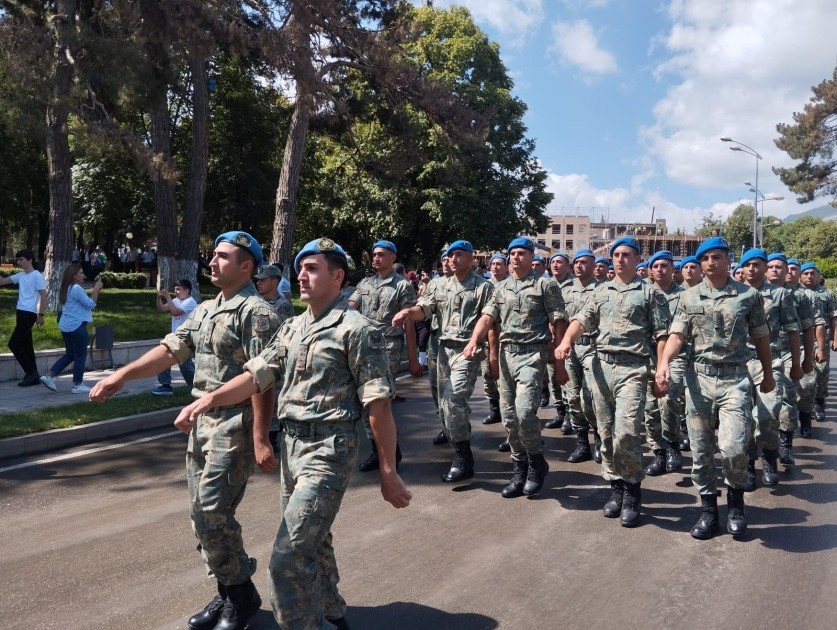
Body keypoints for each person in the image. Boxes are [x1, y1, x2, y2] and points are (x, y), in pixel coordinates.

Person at [174, 237, 411, 629]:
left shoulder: (358, 330)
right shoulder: (293, 328)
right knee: (312, 538)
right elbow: (255, 376)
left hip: (331, 448)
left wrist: (388, 469)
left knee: (287, 559)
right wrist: (208, 400)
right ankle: (332, 610)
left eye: (312, 268)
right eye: (300, 268)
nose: (301, 275)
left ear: (337, 277)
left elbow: (379, 405)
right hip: (294, 445)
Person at [89, 231, 280, 630]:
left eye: (223, 257)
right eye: (212, 255)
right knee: (199, 515)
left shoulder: (257, 313)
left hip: (236, 425)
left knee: (214, 512)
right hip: (201, 423)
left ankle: (241, 596)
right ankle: (229, 590)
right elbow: (171, 349)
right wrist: (122, 375)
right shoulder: (207, 309)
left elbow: (264, 378)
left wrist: (261, 437)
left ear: (246, 267)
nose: (212, 261)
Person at [656, 237, 774, 540]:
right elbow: (677, 334)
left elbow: (761, 337)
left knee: (734, 448)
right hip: (700, 381)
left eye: (717, 257)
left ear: (727, 260)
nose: (711, 262)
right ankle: (709, 510)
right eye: (706, 258)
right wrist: (664, 362)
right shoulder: (689, 296)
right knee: (701, 450)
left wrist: (769, 375)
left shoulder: (748, 296)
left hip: (736, 379)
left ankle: (736, 504)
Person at [555, 237, 670, 528]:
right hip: (601, 366)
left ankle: (632, 491)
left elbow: (661, 335)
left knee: (628, 431)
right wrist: (568, 340)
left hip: (633, 368)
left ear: (636, 258)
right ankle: (615, 487)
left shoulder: (650, 293)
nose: (620, 259)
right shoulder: (600, 290)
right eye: (616, 255)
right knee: (605, 432)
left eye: (626, 255)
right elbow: (582, 318)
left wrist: (661, 369)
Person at [465, 237, 568, 498]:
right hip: (507, 356)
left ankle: (536, 462)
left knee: (524, 413)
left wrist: (559, 363)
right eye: (512, 254)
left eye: (521, 253)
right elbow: (487, 317)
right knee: (509, 418)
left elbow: (558, 324)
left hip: (532, 355)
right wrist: (473, 341)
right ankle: (520, 466)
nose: (515, 258)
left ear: (532, 257)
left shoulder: (545, 285)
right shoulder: (500, 288)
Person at [393, 240, 495, 482]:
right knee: (442, 404)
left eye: (459, 254)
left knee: (453, 400)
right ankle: (458, 437)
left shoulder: (484, 287)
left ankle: (463, 458)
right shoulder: (438, 285)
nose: (453, 258)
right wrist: (409, 312)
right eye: (450, 255)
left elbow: (488, 318)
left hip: (466, 351)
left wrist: (475, 341)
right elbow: (424, 309)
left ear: (472, 258)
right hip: (439, 350)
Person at [348, 239, 421, 472]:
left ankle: (389, 454)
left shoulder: (402, 286)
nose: (376, 258)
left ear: (393, 258)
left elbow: (409, 322)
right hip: (363, 347)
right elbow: (351, 307)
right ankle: (378, 450)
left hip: (388, 348)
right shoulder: (365, 283)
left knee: (378, 403)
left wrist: (412, 358)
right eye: (374, 254)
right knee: (364, 403)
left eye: (381, 254)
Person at [740, 249, 801, 491]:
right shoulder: (734, 293)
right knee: (742, 419)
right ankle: (748, 464)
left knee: (766, 415)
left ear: (765, 267)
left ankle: (769, 456)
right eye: (748, 265)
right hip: (740, 364)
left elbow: (793, 331)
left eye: (757, 264)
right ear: (742, 268)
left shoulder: (780, 295)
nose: (752, 269)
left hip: (771, 362)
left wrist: (796, 364)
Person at [642, 250, 685, 477]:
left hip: (677, 357)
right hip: (646, 355)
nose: (660, 270)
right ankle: (658, 452)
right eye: (656, 266)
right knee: (650, 408)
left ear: (672, 269)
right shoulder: (643, 294)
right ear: (650, 270)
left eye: (665, 266)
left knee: (667, 400)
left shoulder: (685, 296)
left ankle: (673, 445)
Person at [559, 248, 601, 464]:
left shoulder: (602, 290)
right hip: (570, 350)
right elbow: (558, 321)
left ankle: (600, 439)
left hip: (593, 348)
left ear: (594, 265)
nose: (578, 266)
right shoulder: (565, 291)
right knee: (573, 397)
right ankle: (582, 442)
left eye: (584, 262)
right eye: (576, 262)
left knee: (591, 397)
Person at [38, 265, 102, 394]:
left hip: (66, 326)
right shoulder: (77, 288)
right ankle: (78, 385)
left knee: (70, 354)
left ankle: (49, 375)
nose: (84, 275)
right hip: (77, 326)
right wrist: (96, 289)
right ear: (73, 275)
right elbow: (91, 305)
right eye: (81, 273)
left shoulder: (66, 288)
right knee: (80, 355)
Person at [253, 264, 296, 452]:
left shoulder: (283, 306)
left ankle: (273, 438)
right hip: (255, 359)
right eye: (258, 280)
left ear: (275, 282)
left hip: (274, 362)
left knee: (273, 398)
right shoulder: (255, 303)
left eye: (263, 280)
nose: (259, 283)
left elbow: (287, 335)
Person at [0, 249, 47, 386]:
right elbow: (2, 282)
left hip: (29, 314)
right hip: (20, 313)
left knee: (13, 343)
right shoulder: (21, 275)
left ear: (30, 260)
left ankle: (30, 372)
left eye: (21, 259)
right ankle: (35, 377)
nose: (18, 262)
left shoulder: (37, 276)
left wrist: (41, 315)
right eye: (18, 259)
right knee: (27, 345)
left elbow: (43, 295)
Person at [151, 279, 198, 396]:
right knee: (163, 359)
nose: (175, 291)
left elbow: (176, 312)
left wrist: (167, 298)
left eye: (179, 289)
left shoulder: (191, 302)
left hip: (186, 338)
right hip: (174, 337)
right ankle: (165, 386)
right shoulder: (176, 300)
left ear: (187, 290)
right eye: (175, 289)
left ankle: (195, 387)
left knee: (185, 366)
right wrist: (159, 298)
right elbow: (161, 309)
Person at [544, 252, 573, 433]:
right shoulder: (545, 285)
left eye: (559, 262)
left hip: (570, 340)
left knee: (568, 379)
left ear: (568, 266)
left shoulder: (575, 286)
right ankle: (560, 412)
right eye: (553, 262)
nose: (555, 265)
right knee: (554, 377)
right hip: (551, 339)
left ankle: (571, 415)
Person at [482, 253, 508, 428]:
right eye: (494, 264)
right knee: (488, 375)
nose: (496, 267)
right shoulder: (485, 286)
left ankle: (508, 412)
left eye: (500, 264)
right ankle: (495, 410)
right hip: (486, 339)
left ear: (506, 267)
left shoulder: (510, 284)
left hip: (505, 339)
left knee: (505, 379)